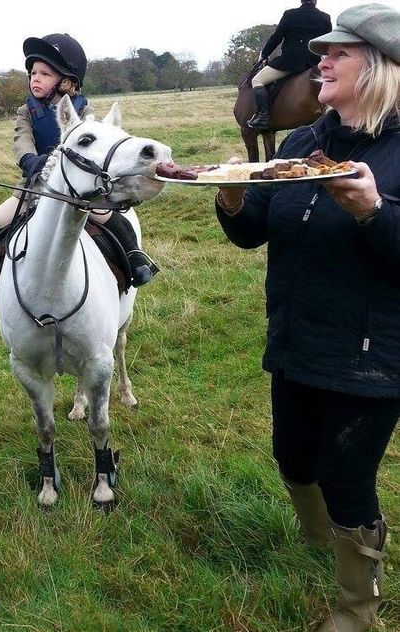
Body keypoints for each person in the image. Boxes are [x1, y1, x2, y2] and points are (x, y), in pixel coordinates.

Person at [215, 4, 400, 631]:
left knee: (346, 477)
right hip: (296, 339)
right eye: (324, 51)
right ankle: (325, 546)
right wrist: (231, 193)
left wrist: (375, 210)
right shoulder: (303, 141)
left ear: (379, 69)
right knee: (292, 456)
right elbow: (253, 232)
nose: (321, 60)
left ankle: (357, 607)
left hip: (371, 355)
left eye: (339, 53)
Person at [0, 32, 154, 293]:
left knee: (112, 219)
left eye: (44, 74)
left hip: (76, 187)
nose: (35, 78)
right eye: (32, 73)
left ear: (67, 82)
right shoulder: (26, 111)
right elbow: (21, 140)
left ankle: (134, 257)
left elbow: (92, 140)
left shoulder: (84, 111)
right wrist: (30, 160)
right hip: (35, 185)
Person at [247, 0, 332, 130]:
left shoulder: (290, 14)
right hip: (314, 62)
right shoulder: (325, 17)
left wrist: (264, 55)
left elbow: (277, 37)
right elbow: (328, 43)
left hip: (291, 62)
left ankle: (263, 116)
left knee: (257, 80)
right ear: (315, 1)